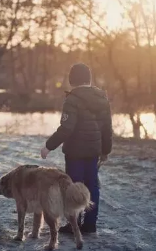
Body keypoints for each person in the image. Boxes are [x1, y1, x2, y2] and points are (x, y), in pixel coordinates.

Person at [40, 63, 112, 234]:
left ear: (72, 79)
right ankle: (90, 224)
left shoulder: (72, 100)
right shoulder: (102, 98)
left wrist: (48, 146)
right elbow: (107, 128)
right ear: (89, 78)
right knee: (92, 186)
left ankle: (74, 225)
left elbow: (66, 128)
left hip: (75, 153)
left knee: (73, 187)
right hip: (93, 151)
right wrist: (105, 151)